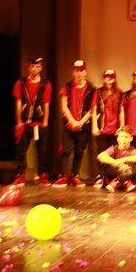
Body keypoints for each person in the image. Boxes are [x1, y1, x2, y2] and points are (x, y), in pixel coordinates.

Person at [53, 60, 94, 188]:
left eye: (81, 70)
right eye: (76, 71)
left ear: (85, 72)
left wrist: (80, 122)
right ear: (73, 72)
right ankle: (64, 176)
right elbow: (64, 106)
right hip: (69, 124)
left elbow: (92, 109)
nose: (79, 73)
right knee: (66, 150)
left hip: (83, 124)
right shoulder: (67, 87)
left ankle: (74, 175)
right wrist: (72, 121)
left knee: (80, 151)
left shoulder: (91, 89)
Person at [12, 56, 52, 186]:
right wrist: (19, 122)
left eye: (37, 66)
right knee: (21, 150)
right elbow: (18, 102)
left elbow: (46, 103)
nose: (34, 68)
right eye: (32, 66)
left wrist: (45, 122)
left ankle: (42, 175)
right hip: (24, 123)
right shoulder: (21, 83)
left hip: (39, 123)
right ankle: (20, 174)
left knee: (42, 151)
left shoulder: (45, 84)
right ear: (28, 67)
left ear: (41, 68)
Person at [91, 69, 123, 188]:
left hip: (115, 130)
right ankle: (100, 177)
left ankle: (112, 178)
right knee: (101, 153)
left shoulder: (119, 93)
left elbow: (121, 110)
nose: (108, 79)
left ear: (114, 79)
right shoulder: (98, 92)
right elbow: (94, 109)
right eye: (106, 77)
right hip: (102, 129)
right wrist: (94, 125)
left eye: (111, 77)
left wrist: (122, 127)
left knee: (114, 154)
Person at [97, 125, 136, 192]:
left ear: (131, 138)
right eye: (121, 137)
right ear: (117, 138)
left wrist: (123, 160)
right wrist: (118, 164)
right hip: (115, 174)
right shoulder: (114, 148)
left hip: (125, 177)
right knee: (105, 162)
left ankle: (118, 181)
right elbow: (100, 156)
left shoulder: (133, 150)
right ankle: (125, 182)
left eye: (126, 137)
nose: (123, 139)